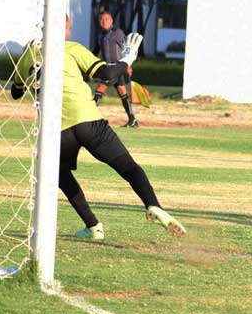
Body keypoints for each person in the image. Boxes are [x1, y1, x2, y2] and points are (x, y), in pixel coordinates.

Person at [10, 16, 185, 241]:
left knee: (60, 175)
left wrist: (32, 78)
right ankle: (153, 205)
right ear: (64, 28)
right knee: (128, 167)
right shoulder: (72, 49)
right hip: (88, 120)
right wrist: (128, 58)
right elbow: (109, 75)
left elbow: (16, 92)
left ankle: (93, 226)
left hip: (57, 131)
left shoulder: (29, 54)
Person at [93, 11, 137, 128]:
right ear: (99, 22)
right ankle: (132, 120)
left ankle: (90, 117)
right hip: (108, 68)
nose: (104, 21)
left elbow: (126, 49)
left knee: (100, 89)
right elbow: (95, 51)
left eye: (107, 19)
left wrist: (128, 65)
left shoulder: (117, 33)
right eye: (102, 20)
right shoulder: (100, 36)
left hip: (116, 68)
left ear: (112, 21)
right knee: (122, 91)